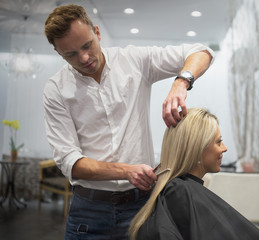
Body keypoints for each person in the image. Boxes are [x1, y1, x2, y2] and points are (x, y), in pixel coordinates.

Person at [43, 4, 214, 240]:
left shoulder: (133, 61)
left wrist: (180, 83)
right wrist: (127, 171)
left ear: (97, 32)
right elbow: (71, 163)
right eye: (70, 54)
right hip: (89, 212)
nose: (84, 58)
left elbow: (201, 51)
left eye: (87, 45)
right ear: (57, 52)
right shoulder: (56, 90)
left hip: (142, 207)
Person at [129, 108, 259, 240]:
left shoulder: (179, 191)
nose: (225, 148)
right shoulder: (180, 193)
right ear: (197, 148)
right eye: (219, 142)